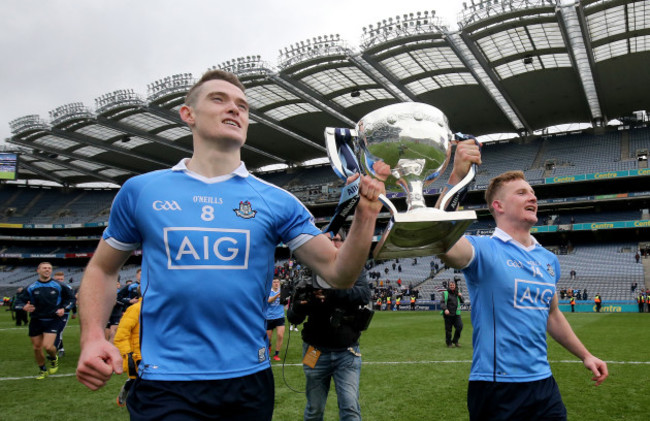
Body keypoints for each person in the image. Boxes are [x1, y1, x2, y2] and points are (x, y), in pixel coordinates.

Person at [75, 69, 385, 421]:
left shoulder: (276, 201)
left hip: (247, 382)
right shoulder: (142, 191)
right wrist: (92, 337)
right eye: (218, 99)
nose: (234, 109)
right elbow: (102, 268)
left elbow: (339, 273)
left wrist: (366, 214)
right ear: (187, 114)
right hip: (165, 381)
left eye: (243, 105)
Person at [438, 145, 608, 420]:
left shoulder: (548, 260)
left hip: (543, 384)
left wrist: (585, 355)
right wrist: (458, 177)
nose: (532, 197)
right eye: (521, 192)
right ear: (498, 206)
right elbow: (441, 240)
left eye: (532, 192)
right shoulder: (482, 250)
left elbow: (552, 315)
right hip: (496, 387)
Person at [287, 231, 372, 421]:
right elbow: (293, 317)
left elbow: (363, 295)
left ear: (343, 243)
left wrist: (331, 293)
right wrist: (303, 303)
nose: (331, 242)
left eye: (336, 239)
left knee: (350, 407)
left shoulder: (355, 269)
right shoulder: (308, 273)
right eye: (326, 240)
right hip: (314, 351)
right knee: (314, 408)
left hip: (346, 351)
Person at [13, 262, 75, 379]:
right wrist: (24, 307)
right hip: (36, 320)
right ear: (38, 270)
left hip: (53, 319)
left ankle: (53, 358)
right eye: (44, 268)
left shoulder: (59, 285)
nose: (47, 270)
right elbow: (17, 302)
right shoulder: (31, 287)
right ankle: (42, 370)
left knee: (48, 346)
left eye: (49, 268)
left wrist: (64, 308)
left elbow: (71, 298)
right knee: (36, 347)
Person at [113, 288, 142, 407]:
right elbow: (121, 335)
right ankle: (128, 388)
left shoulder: (162, 308)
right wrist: (128, 354)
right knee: (140, 381)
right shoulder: (135, 309)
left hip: (157, 353)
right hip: (138, 354)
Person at [52, 270, 75, 356]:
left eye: (61, 279)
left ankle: (60, 349)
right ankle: (58, 349)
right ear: (54, 278)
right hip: (52, 313)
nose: (60, 280)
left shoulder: (68, 288)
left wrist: (74, 312)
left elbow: (72, 300)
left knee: (58, 331)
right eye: (58, 279)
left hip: (64, 313)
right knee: (53, 332)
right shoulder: (51, 287)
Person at [266, 278, 286, 362]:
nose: (276, 283)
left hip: (280, 316)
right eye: (274, 282)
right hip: (269, 317)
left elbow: (286, 301)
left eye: (277, 282)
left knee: (280, 335)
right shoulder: (268, 291)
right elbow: (269, 300)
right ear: (271, 283)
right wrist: (277, 295)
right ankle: (269, 347)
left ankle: (276, 354)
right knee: (268, 338)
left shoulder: (283, 291)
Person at [440, 279, 464, 348]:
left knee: (460, 327)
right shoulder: (445, 293)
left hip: (456, 314)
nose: (452, 286)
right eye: (451, 285)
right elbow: (442, 302)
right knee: (448, 330)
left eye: (453, 285)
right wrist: (445, 309)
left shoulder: (457, 293)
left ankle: (455, 341)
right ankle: (449, 343)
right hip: (448, 314)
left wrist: (460, 296)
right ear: (449, 286)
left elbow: (463, 301)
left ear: (455, 285)